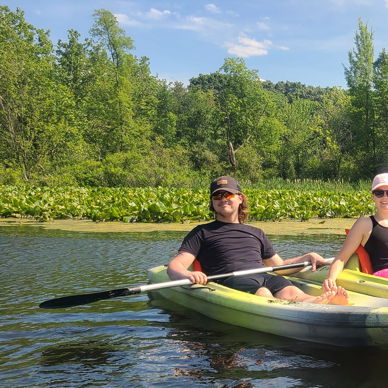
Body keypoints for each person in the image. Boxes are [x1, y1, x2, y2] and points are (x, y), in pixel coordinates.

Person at [168, 176, 349, 305]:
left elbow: (279, 266)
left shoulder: (256, 232)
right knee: (263, 293)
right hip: (232, 280)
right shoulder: (201, 232)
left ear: (240, 198)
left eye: (228, 195)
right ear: (212, 202)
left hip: (264, 275)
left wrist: (305, 258)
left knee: (291, 291)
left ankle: (317, 303)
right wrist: (190, 275)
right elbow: (175, 266)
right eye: (217, 196)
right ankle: (300, 311)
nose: (223, 199)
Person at [323, 172, 388, 291]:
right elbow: (342, 258)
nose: (385, 197)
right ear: (373, 196)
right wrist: (331, 279)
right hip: (381, 281)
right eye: (379, 193)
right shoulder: (364, 224)